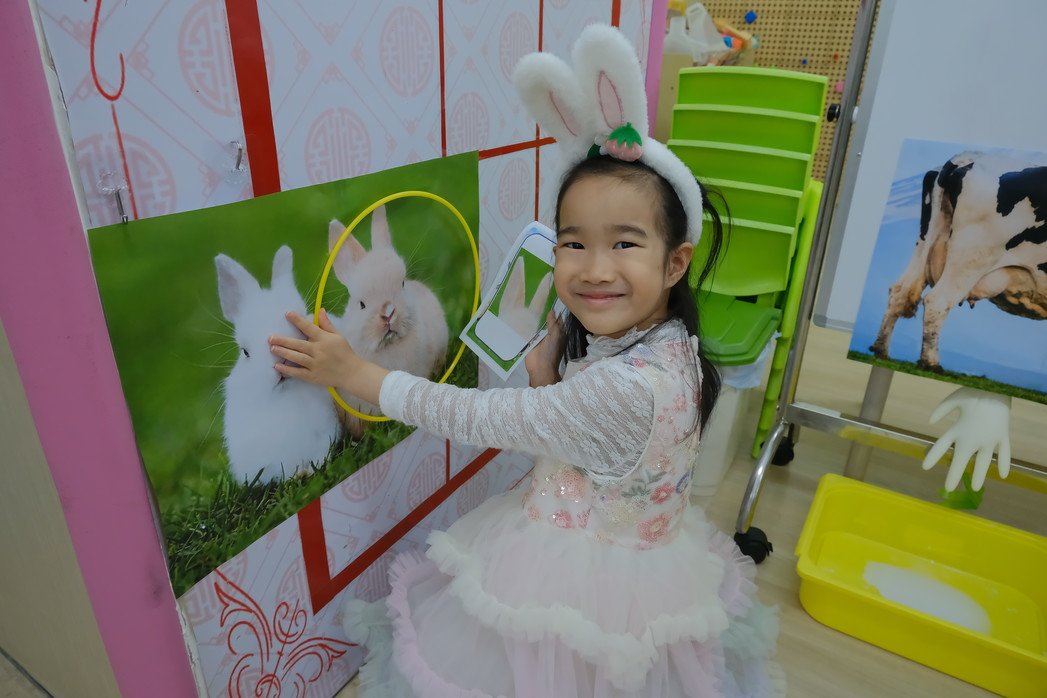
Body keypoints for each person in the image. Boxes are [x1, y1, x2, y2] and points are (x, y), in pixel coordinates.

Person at [269, 24, 783, 698]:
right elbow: (592, 437)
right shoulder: (672, 344)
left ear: (675, 261)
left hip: (581, 590)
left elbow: (474, 415)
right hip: (639, 564)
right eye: (573, 242)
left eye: (625, 243)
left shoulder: (627, 388)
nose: (594, 269)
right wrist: (548, 377)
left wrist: (357, 375)